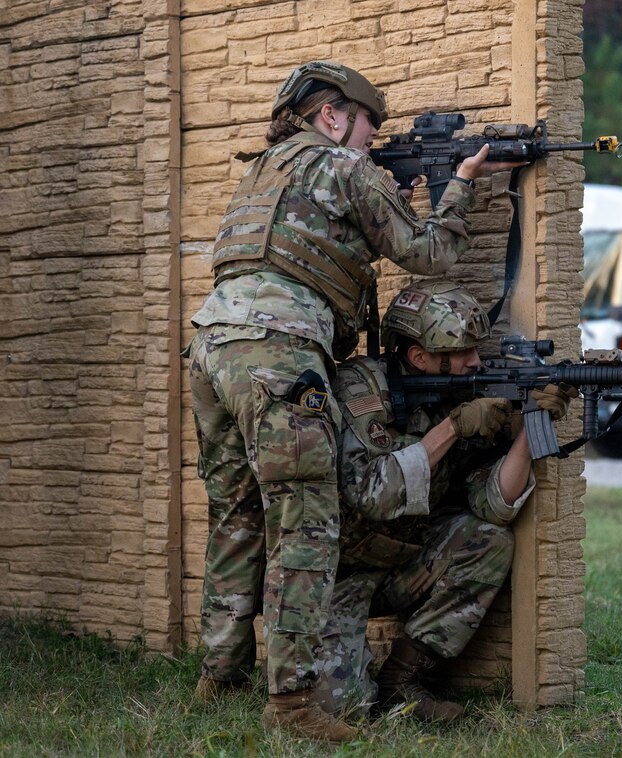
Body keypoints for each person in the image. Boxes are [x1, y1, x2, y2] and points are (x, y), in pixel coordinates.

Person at [187, 61, 518, 742]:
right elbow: (428, 254)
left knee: (237, 514)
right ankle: (293, 706)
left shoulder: (264, 170)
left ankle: (218, 678)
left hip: (213, 344)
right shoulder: (344, 167)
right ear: (333, 115)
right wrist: (458, 186)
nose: (374, 140)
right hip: (279, 351)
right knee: (306, 525)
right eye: (371, 125)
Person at [316, 279, 575, 722]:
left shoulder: (459, 396)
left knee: (489, 541)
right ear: (420, 358)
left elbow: (493, 505)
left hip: (406, 562)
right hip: (337, 575)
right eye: (465, 353)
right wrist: (453, 428)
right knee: (341, 710)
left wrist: (533, 422)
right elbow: (372, 494)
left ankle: (400, 683)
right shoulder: (360, 393)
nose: (477, 362)